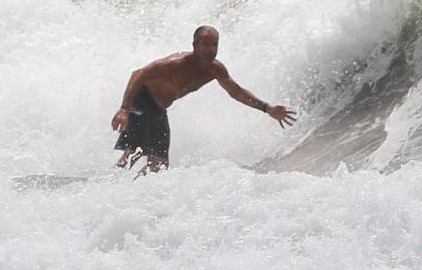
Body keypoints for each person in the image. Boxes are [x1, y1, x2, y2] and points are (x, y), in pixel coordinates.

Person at [111, 25, 297, 174]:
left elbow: (237, 92)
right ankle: (111, 186)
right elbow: (138, 74)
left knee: (159, 165)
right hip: (142, 102)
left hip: (159, 110)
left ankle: (139, 194)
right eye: (206, 44)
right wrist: (124, 109)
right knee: (133, 154)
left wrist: (267, 108)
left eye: (215, 45)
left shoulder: (214, 70)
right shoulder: (175, 63)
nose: (211, 49)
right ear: (195, 45)